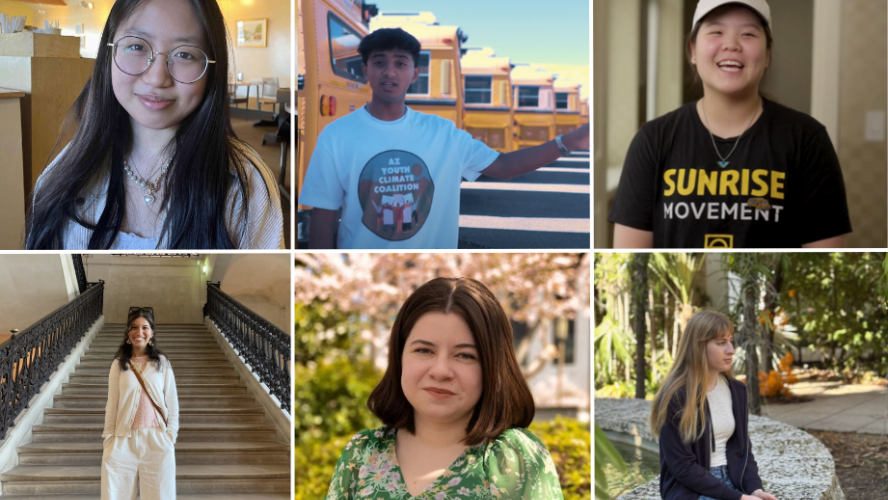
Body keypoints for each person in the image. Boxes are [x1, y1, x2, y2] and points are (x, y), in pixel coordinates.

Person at [26, 0, 284, 250]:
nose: (157, 78)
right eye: (137, 47)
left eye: (184, 54)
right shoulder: (63, 174)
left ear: (211, 70)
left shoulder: (244, 184)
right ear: (110, 52)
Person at [300, 28, 590, 249]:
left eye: (400, 63)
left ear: (415, 73)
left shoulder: (444, 133)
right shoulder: (336, 136)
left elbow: (503, 166)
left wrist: (567, 143)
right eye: (379, 62)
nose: (389, 71)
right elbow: (323, 218)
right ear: (365, 70)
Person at [609, 0, 851, 249]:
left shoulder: (807, 139)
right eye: (716, 31)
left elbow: (824, 259)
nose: (731, 45)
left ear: (767, 55)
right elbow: (631, 261)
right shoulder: (653, 139)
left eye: (748, 33)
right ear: (692, 50)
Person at [325, 278, 563, 499]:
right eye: (424, 350)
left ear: (493, 366)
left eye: (465, 355)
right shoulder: (361, 454)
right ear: (399, 356)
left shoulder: (513, 458)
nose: (440, 371)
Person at [650, 311, 778, 500]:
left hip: (733, 481)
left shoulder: (737, 390)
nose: (731, 349)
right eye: (721, 343)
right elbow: (683, 467)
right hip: (691, 490)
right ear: (699, 347)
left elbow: (743, 450)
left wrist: (755, 489)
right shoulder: (676, 397)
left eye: (730, 341)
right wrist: (738, 498)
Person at [102, 307, 179, 500]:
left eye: (145, 327)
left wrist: (170, 436)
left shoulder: (162, 363)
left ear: (151, 332)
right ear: (128, 333)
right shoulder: (119, 364)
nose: (139, 332)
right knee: (115, 494)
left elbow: (172, 402)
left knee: (160, 495)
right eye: (134, 327)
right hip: (122, 440)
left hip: (157, 439)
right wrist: (109, 439)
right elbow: (112, 404)